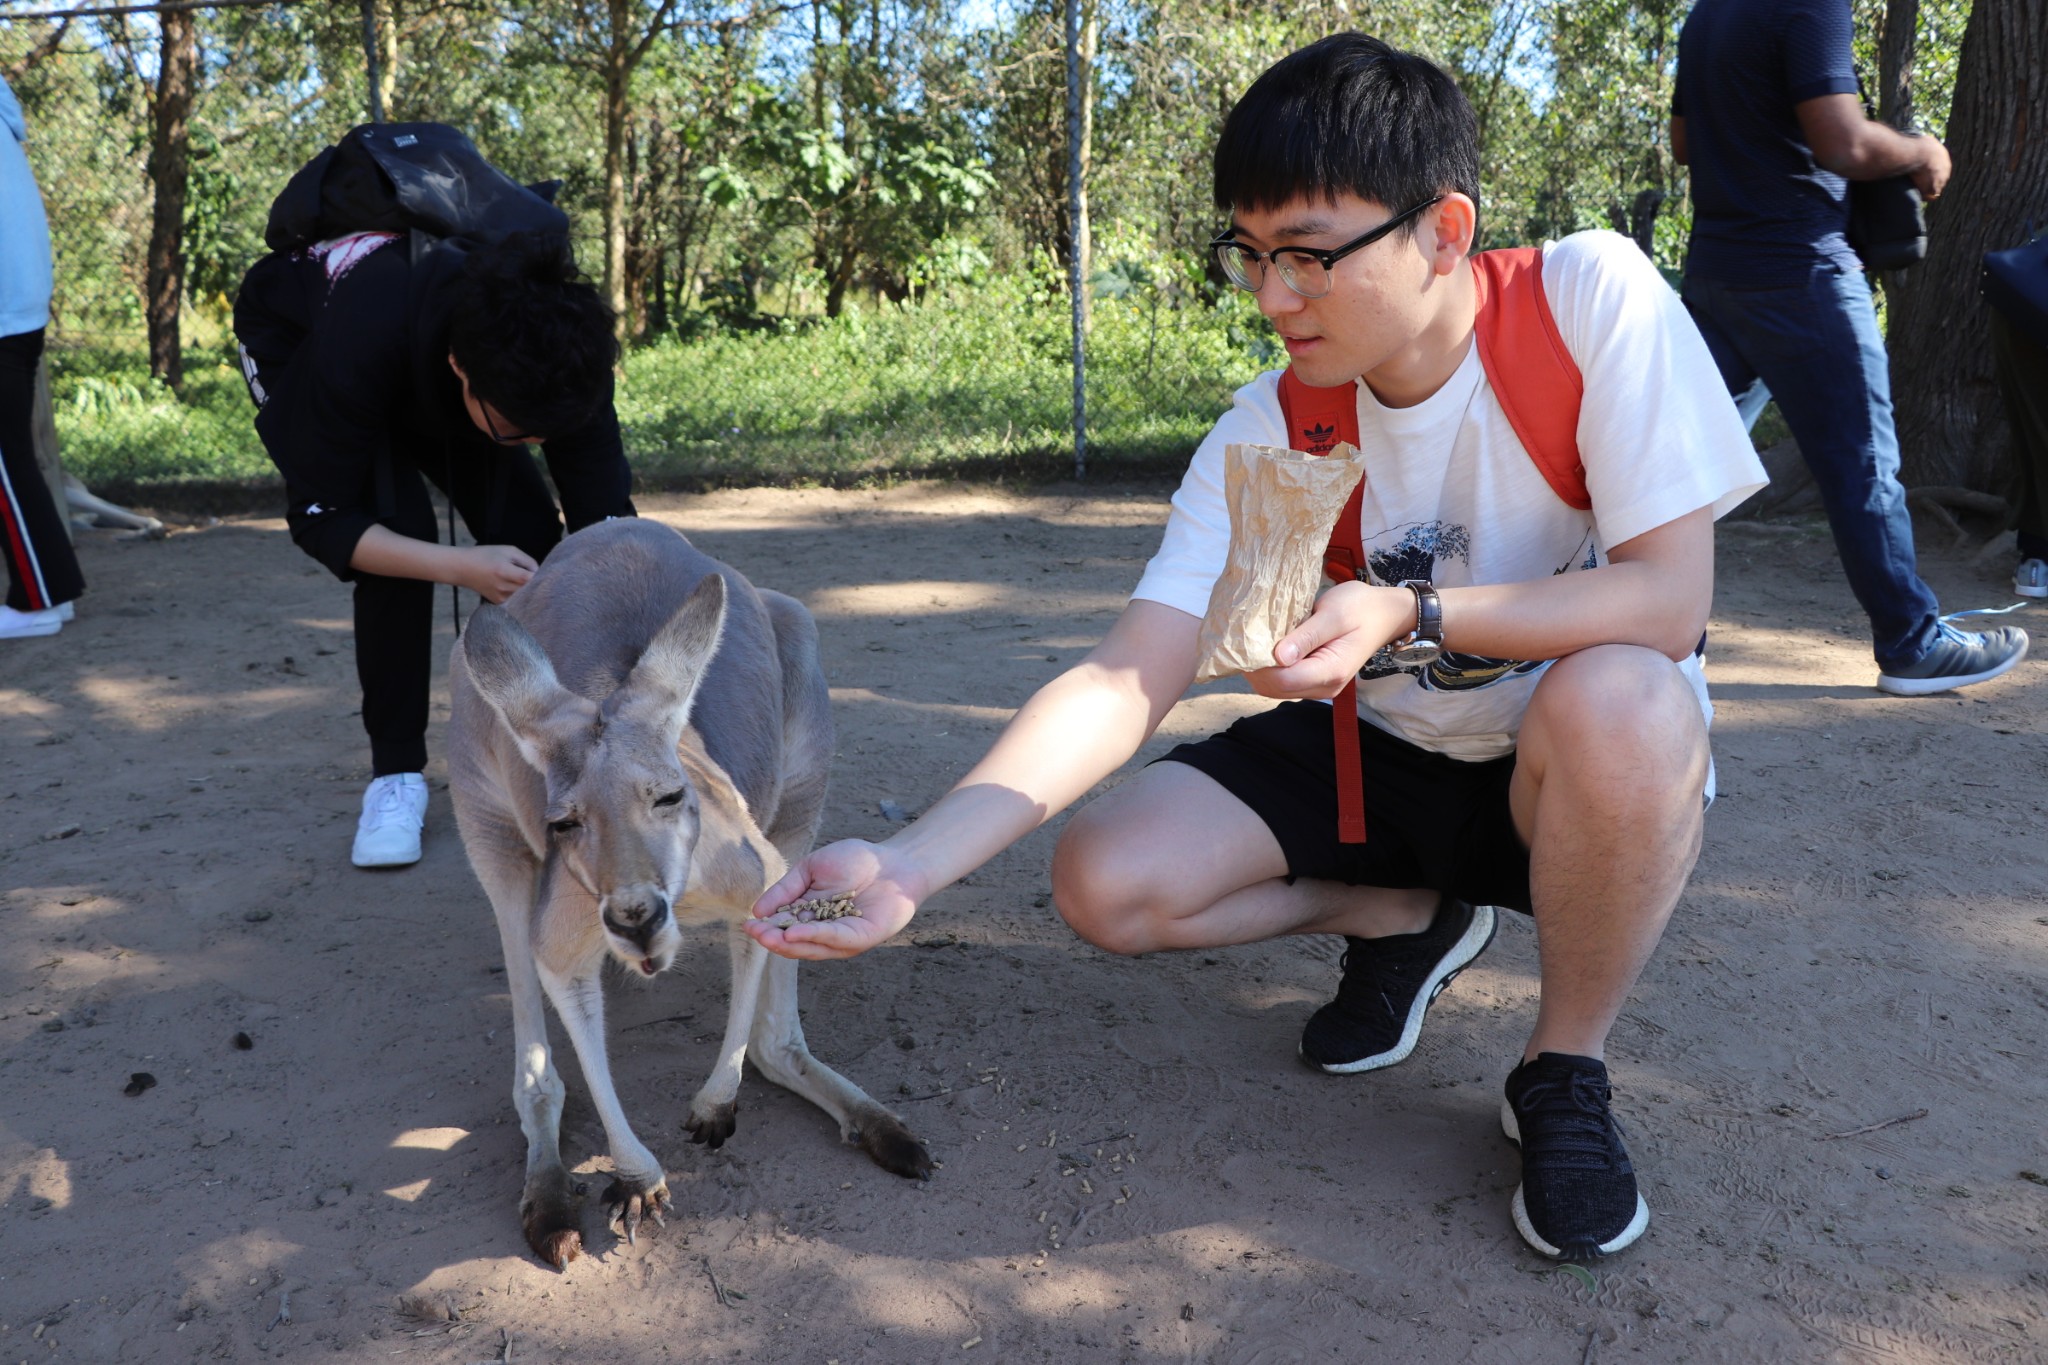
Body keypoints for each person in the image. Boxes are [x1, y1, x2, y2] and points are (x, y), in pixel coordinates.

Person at [746, 33, 1767, 1262]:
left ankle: (1561, 1067)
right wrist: (911, 864)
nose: (1271, 298)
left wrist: (1409, 611)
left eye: (1307, 257)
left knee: (1629, 701)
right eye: (1251, 253)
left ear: (1444, 230)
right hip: (1378, 750)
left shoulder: (1584, 300)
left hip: (1561, 763)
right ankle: (1403, 915)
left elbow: (1666, 601)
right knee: (1105, 880)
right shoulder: (1271, 423)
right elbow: (1130, 672)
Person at [233, 218, 634, 870]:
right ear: (461, 371)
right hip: (307, 341)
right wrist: (458, 565)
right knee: (401, 537)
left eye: (545, 436)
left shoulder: (566, 346)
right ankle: (394, 777)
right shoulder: (357, 340)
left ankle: (551, 742)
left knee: (530, 535)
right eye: (517, 434)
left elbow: (605, 522)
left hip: (433, 350)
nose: (536, 448)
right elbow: (325, 519)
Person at [1672, 0, 2029, 693]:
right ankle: (1912, 643)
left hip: (1715, 276)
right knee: (1864, 468)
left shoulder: (1708, 14)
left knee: (1678, 476)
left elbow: (1686, 141)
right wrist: (1922, 152)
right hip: (1804, 275)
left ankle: (1671, 641)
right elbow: (1844, 144)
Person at [0, 73, 87, 641]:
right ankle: (50, 588)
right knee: (12, 456)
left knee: (4, 459)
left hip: (4, 309)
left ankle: (38, 603)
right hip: (21, 305)